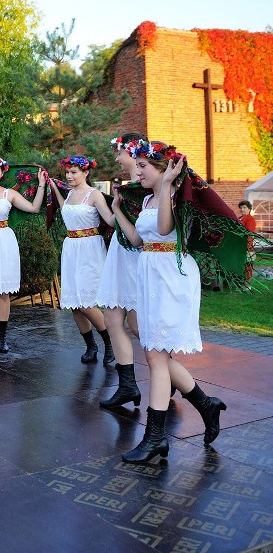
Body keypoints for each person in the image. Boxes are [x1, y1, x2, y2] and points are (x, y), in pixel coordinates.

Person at [112, 141, 226, 463]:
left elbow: (164, 229)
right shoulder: (148, 198)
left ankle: (155, 438)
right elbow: (137, 240)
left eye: (144, 166)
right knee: (157, 356)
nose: (138, 171)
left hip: (171, 279)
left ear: (164, 169)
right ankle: (206, 405)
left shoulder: (174, 197)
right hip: (151, 277)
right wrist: (119, 208)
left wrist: (165, 186)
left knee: (156, 357)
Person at [0, 156, 46, 352]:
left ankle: (3, 337)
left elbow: (34, 208)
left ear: (3, 173)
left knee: (3, 292)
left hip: (3, 241)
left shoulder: (9, 194)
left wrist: (41, 186)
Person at [48, 156, 115, 365]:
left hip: (89, 249)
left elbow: (111, 219)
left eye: (74, 172)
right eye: (67, 172)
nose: (69, 176)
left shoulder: (94, 195)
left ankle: (110, 342)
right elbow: (64, 209)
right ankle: (90, 346)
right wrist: (52, 186)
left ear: (86, 173)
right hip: (71, 248)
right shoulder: (68, 196)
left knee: (85, 302)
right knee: (74, 304)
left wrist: (122, 208)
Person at [96, 133, 147, 408]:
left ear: (132, 151)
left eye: (119, 150)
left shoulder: (145, 184)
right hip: (120, 252)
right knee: (113, 319)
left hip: (136, 257)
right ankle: (127, 384)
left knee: (139, 326)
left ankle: (172, 374)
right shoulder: (127, 186)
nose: (116, 155)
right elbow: (117, 223)